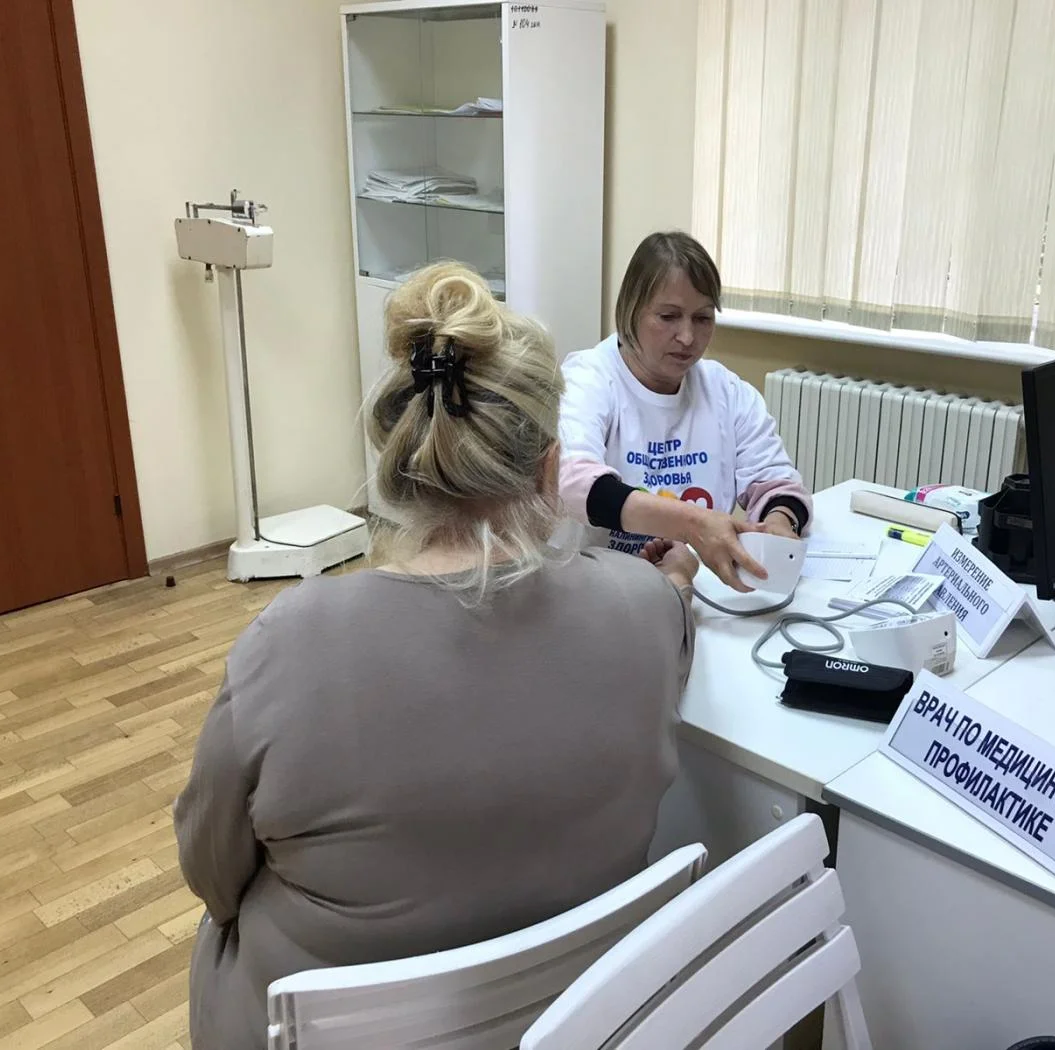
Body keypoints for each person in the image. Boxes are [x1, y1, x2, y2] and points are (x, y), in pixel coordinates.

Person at [174, 262, 697, 1050]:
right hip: (570, 1020)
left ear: (399, 461)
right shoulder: (646, 609)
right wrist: (675, 580)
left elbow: (211, 876)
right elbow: (662, 611)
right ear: (550, 471)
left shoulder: (290, 645)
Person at [558, 230, 812, 591]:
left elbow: (777, 481)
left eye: (703, 318)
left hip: (696, 587)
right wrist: (692, 523)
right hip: (597, 592)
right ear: (630, 311)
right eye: (668, 316)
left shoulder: (727, 392)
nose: (688, 338)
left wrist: (779, 522)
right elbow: (572, 483)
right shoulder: (588, 379)